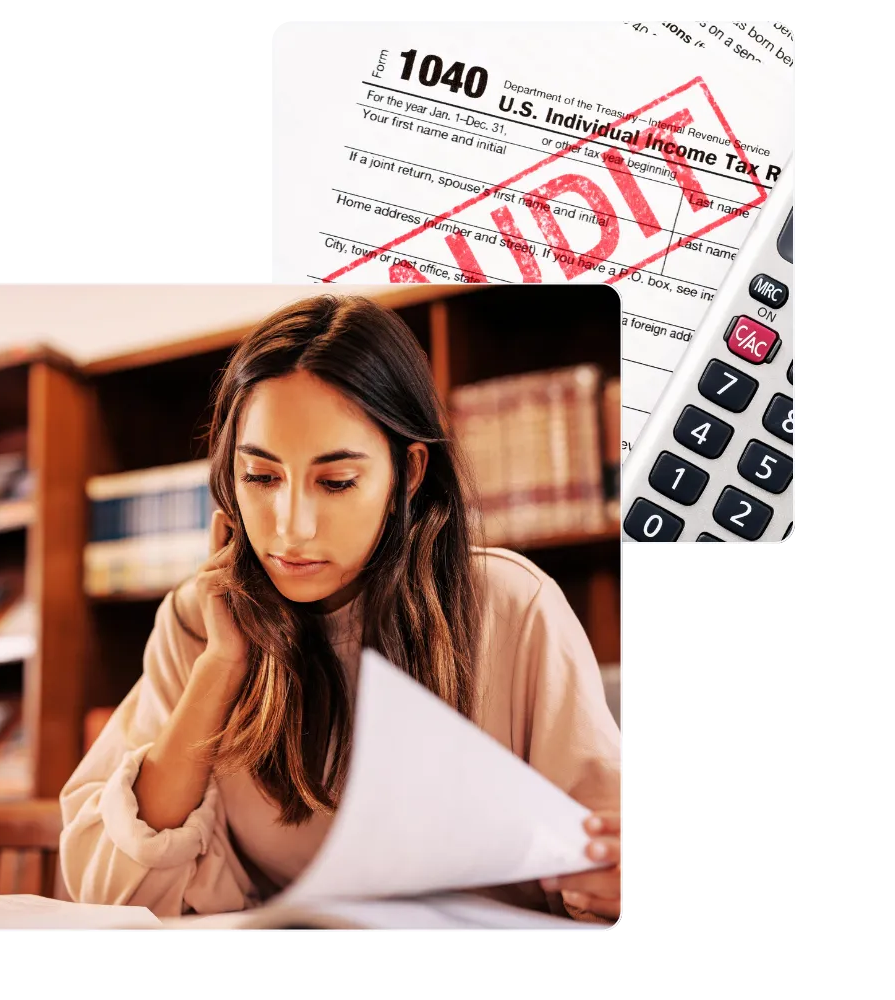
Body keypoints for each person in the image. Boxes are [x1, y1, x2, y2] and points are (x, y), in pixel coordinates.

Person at [59, 294, 622, 923]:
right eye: (262, 478)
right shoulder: (201, 619)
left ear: (406, 474)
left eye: (335, 482)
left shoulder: (512, 608)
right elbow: (111, 894)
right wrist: (221, 666)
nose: (290, 528)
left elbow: (605, 865)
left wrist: (603, 883)